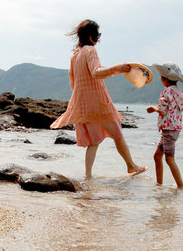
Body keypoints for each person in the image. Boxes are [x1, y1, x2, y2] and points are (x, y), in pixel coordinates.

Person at [50, 19, 147, 179]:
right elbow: (96, 72)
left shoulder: (75, 56)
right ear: (91, 35)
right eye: (97, 35)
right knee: (117, 134)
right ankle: (131, 166)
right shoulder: (90, 50)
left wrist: (82, 97)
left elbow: (72, 82)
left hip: (84, 105)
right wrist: (118, 68)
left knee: (94, 142)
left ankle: (88, 176)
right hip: (99, 102)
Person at [146, 62, 183, 189]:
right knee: (157, 156)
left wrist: (154, 108)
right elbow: (180, 107)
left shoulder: (166, 91)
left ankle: (181, 187)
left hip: (168, 129)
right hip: (174, 129)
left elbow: (163, 110)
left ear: (165, 79)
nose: (160, 79)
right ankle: (159, 185)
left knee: (169, 158)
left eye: (161, 77)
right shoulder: (179, 92)